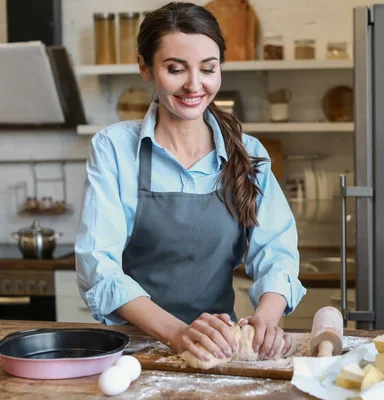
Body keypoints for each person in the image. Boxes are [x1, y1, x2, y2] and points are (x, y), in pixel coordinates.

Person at [74, 2, 306, 363]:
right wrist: (177, 334)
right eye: (175, 69)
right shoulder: (114, 149)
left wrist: (264, 320)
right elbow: (97, 265)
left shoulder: (247, 153)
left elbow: (276, 252)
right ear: (145, 68)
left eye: (208, 69)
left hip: (220, 350)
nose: (194, 85)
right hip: (136, 352)